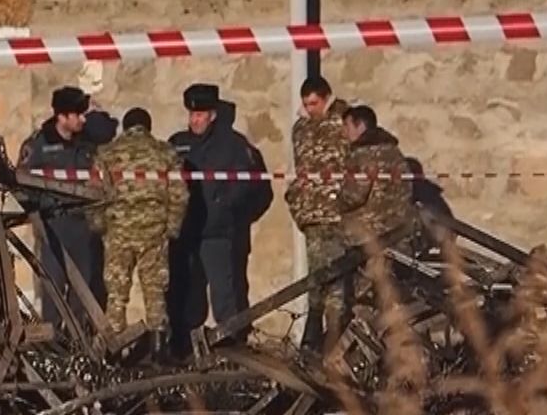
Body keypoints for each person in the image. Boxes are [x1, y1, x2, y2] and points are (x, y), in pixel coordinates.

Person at [167, 84, 273, 357]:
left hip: (218, 234)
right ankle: (185, 348)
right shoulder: (177, 143)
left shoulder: (234, 146)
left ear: (212, 115)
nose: (194, 120)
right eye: (191, 114)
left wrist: (227, 211)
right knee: (187, 294)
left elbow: (257, 189)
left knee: (225, 294)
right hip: (185, 234)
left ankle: (232, 347)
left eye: (200, 115)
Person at [19, 85, 118, 326]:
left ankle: (78, 342)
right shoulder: (37, 145)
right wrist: (39, 211)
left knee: (81, 296)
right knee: (53, 293)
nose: (83, 119)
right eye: (78, 115)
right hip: (53, 228)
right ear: (62, 117)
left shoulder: (86, 143)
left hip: (83, 229)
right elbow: (20, 184)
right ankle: (54, 343)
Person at [91, 107, 186, 344]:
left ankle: (113, 350)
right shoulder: (166, 153)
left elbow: (94, 192)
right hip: (154, 233)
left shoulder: (107, 153)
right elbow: (179, 193)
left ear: (124, 127)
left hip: (118, 233)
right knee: (155, 294)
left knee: (116, 296)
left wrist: (99, 226)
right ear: (148, 127)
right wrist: (172, 227)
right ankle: (159, 349)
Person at [285, 76, 352, 358]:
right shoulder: (301, 128)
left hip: (338, 213)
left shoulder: (344, 122)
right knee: (317, 275)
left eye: (315, 103)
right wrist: (296, 200)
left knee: (337, 278)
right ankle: (313, 337)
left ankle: (333, 340)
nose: (310, 109)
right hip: (312, 214)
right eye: (306, 104)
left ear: (326, 98)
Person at [338, 105, 422, 250]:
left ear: (360, 126)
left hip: (369, 236)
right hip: (399, 230)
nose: (344, 132)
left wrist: (335, 198)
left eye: (347, 125)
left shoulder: (361, 154)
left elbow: (354, 195)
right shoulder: (394, 152)